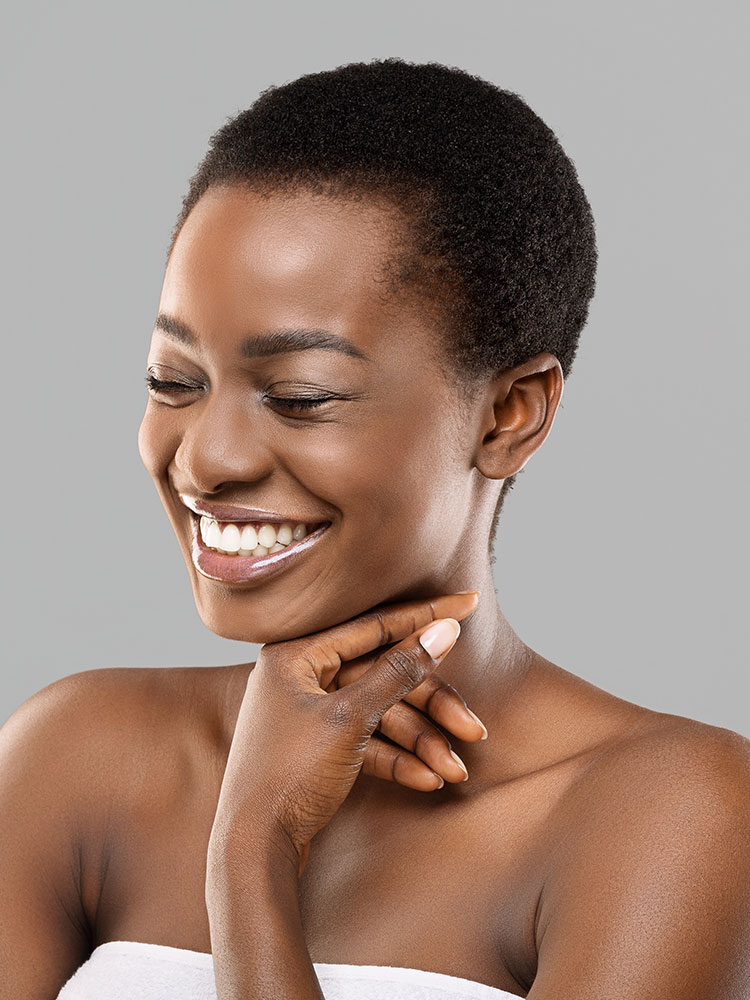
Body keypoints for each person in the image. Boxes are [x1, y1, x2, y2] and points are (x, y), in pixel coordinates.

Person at [1, 58, 747, 1000]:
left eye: (301, 395)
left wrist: (251, 857)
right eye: (173, 381)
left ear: (508, 414)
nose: (206, 459)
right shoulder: (74, 757)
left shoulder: (667, 812)